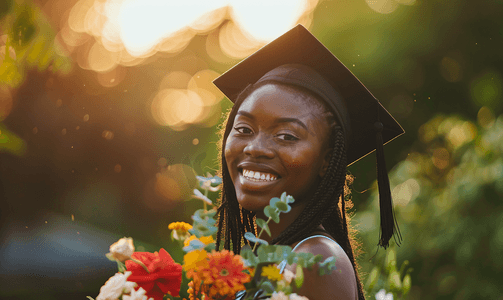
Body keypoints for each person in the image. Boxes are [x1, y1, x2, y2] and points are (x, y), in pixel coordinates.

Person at [212, 25, 404, 300]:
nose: (255, 148)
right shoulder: (260, 260)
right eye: (244, 129)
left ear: (327, 160)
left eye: (286, 136)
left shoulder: (317, 263)